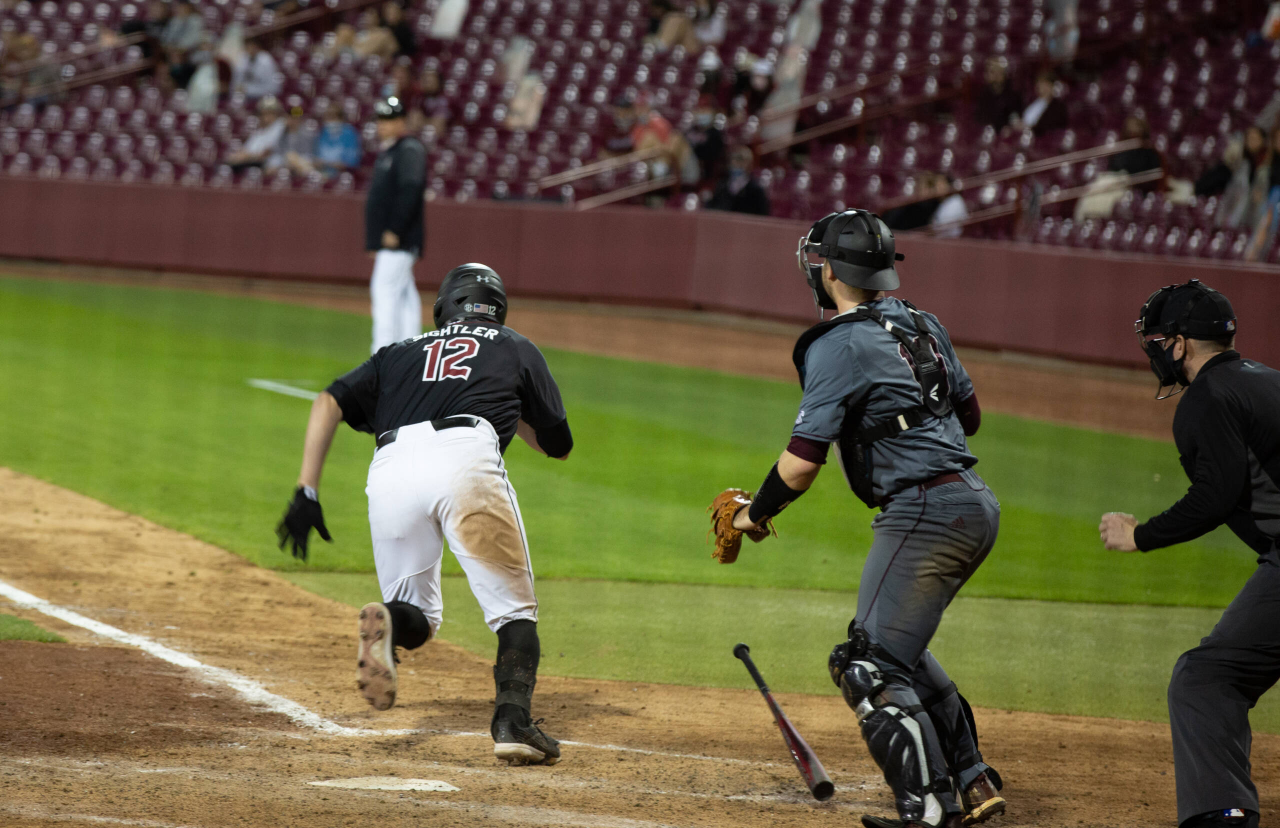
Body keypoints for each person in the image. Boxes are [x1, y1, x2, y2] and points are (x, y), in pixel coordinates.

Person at [728, 209, 1004, 828]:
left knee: (867, 666)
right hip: (972, 500)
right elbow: (971, 416)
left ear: (826, 268)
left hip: (925, 509)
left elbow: (801, 464)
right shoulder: (924, 324)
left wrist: (755, 514)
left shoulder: (836, 343)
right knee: (891, 650)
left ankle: (928, 811)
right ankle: (972, 777)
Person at [275, 264, 573, 766]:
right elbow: (558, 445)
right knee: (514, 613)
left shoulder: (401, 351)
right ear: (497, 308)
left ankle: (389, 620)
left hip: (390, 467)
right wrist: (514, 407)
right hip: (466, 459)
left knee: (419, 615)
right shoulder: (513, 345)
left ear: (443, 308)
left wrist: (307, 489)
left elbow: (327, 401)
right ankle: (512, 723)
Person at [1100, 280, 1279, 828]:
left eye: (1157, 340)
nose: (1153, 350)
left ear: (1179, 345)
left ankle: (1221, 816)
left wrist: (1142, 535)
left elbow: (1215, 494)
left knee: (1206, 680)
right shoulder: (1268, 380)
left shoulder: (1206, 398)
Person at [365, 96, 427, 352]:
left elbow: (410, 190)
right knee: (404, 297)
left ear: (401, 121)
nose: (383, 125)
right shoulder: (392, 151)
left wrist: (394, 230)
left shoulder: (408, 149)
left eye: (389, 119)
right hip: (393, 241)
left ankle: (382, 355)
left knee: (384, 293)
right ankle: (410, 353)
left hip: (399, 240)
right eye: (380, 119)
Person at [706, 145, 770, 215]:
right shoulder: (722, 186)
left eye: (740, 160)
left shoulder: (756, 191)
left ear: (748, 164)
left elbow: (762, 216)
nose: (735, 163)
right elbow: (712, 209)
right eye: (733, 160)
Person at [226, 95, 286, 168]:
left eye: (270, 113)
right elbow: (246, 150)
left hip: (268, 163)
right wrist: (237, 156)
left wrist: (247, 156)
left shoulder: (280, 126)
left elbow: (267, 152)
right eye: (264, 113)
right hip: (251, 164)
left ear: (276, 114)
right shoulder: (259, 131)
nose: (266, 117)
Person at [160, 0, 205, 88]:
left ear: (189, 7)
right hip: (172, 54)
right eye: (179, 7)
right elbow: (165, 39)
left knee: (178, 58)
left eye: (183, 7)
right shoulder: (174, 21)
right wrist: (170, 48)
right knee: (166, 63)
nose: (180, 9)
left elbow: (194, 40)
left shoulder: (196, 20)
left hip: (189, 54)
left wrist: (179, 49)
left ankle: (181, 86)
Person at [312, 103, 362, 176]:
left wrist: (342, 164)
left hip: (343, 175)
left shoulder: (349, 133)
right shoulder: (323, 132)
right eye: (327, 117)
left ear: (341, 118)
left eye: (332, 117)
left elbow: (353, 160)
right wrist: (317, 162)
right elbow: (316, 155)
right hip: (323, 173)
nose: (329, 121)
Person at [1012, 72, 1068, 136]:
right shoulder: (1032, 101)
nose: (1041, 86)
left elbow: (1049, 128)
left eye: (1045, 84)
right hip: (1022, 136)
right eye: (1039, 83)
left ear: (1052, 86)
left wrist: (1028, 127)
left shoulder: (1058, 107)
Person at [973, 58, 1021, 131]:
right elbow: (978, 121)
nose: (996, 76)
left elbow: (1015, 120)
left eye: (999, 72)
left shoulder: (1013, 97)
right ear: (986, 75)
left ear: (1005, 74)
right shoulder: (981, 96)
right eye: (992, 72)